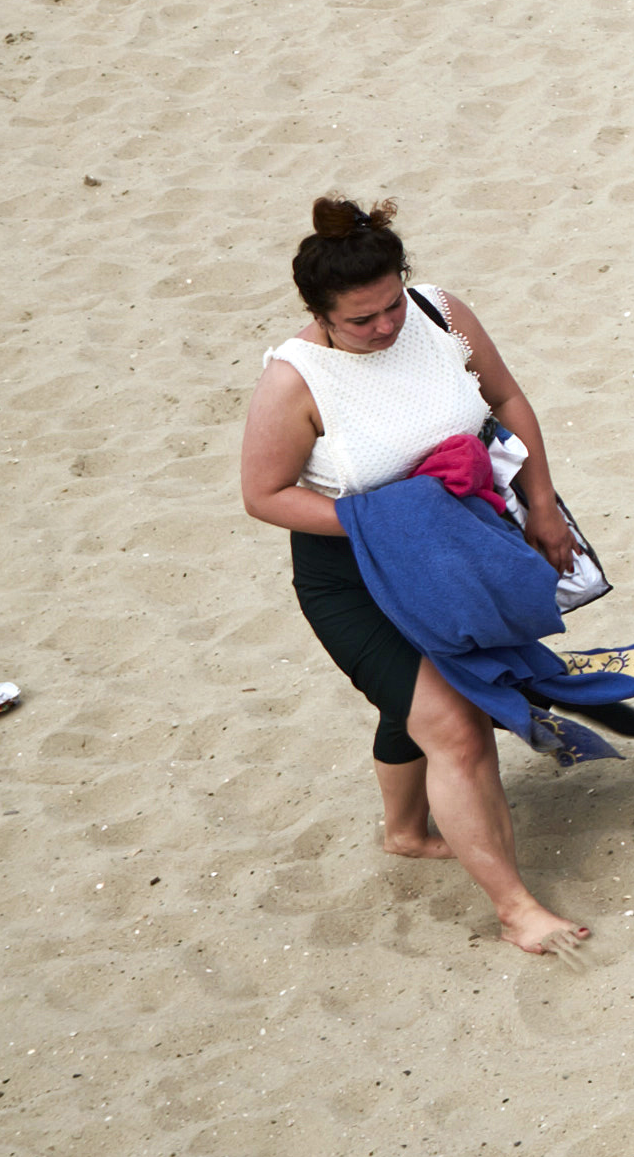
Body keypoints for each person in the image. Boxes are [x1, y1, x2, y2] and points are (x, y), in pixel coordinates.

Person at [235, 195, 609, 956]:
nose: (384, 328)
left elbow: (504, 397)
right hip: (354, 570)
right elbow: (263, 495)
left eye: (390, 306)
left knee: (420, 695)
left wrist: (542, 507)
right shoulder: (295, 379)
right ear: (320, 314)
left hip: (462, 544)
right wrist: (393, 520)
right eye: (362, 320)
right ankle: (515, 909)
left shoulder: (439, 314)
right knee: (456, 725)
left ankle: (405, 832)